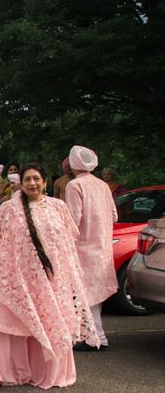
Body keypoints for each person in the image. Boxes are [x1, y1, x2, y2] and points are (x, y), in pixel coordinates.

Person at [0, 162, 100, 389]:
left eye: (36, 179)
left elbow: (69, 239)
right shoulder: (9, 209)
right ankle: (2, 372)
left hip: (49, 279)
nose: (32, 183)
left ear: (44, 182)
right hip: (15, 279)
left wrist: (66, 271)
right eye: (27, 180)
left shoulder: (58, 207)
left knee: (47, 320)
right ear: (21, 184)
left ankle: (46, 373)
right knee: (9, 323)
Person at [65, 146, 117, 351]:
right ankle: (97, 335)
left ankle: (91, 337)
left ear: (72, 163)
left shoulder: (74, 185)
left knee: (82, 293)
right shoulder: (103, 185)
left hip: (83, 247)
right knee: (95, 293)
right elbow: (114, 216)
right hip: (103, 245)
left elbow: (73, 220)